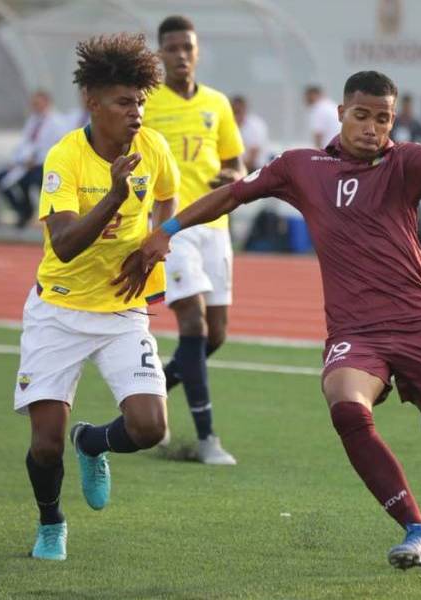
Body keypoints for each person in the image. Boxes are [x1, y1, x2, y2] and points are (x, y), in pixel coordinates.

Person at [122, 70, 421, 570]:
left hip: (420, 327)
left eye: (383, 118)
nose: (372, 127)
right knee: (346, 407)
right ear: (341, 112)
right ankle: (417, 529)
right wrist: (167, 229)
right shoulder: (302, 167)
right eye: (362, 115)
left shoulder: (403, 162)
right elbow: (233, 194)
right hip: (355, 333)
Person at [15, 32, 179, 562]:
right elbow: (62, 246)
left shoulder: (152, 146)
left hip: (122, 312)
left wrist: (159, 239)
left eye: (140, 102)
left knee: (151, 427)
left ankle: (94, 443)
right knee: (44, 444)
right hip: (58, 311)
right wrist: (113, 195)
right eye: (123, 102)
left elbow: (169, 197)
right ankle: (51, 523)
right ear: (92, 101)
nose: (135, 113)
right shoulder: (65, 156)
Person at [142, 15, 246, 465]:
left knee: (216, 335)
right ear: (160, 54)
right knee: (193, 326)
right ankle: (207, 439)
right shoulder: (147, 106)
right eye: (172, 48)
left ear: (197, 51)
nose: (181, 55)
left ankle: (150, 394)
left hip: (216, 227)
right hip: (173, 226)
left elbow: (236, 162)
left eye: (187, 47)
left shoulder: (218, 104)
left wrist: (234, 176)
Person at [0, 90, 65, 228]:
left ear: (47, 103)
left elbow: (57, 147)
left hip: (44, 164)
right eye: (33, 104)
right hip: (24, 164)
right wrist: (16, 160)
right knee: (3, 181)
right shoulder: (32, 121)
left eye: (37, 103)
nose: (35, 106)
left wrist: (36, 160)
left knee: (36, 181)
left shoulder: (57, 123)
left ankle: (49, 217)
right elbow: (24, 143)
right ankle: (24, 211)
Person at [231, 94, 269, 171]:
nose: (236, 116)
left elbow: (253, 156)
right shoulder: (227, 125)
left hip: (256, 170)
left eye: (238, 111)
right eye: (234, 112)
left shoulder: (256, 125)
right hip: (235, 169)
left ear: (245, 109)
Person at [305, 84, 342, 149]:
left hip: (330, 148)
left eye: (308, 96)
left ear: (314, 95)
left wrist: (318, 152)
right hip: (339, 145)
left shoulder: (318, 108)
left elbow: (318, 134)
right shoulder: (330, 105)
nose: (306, 100)